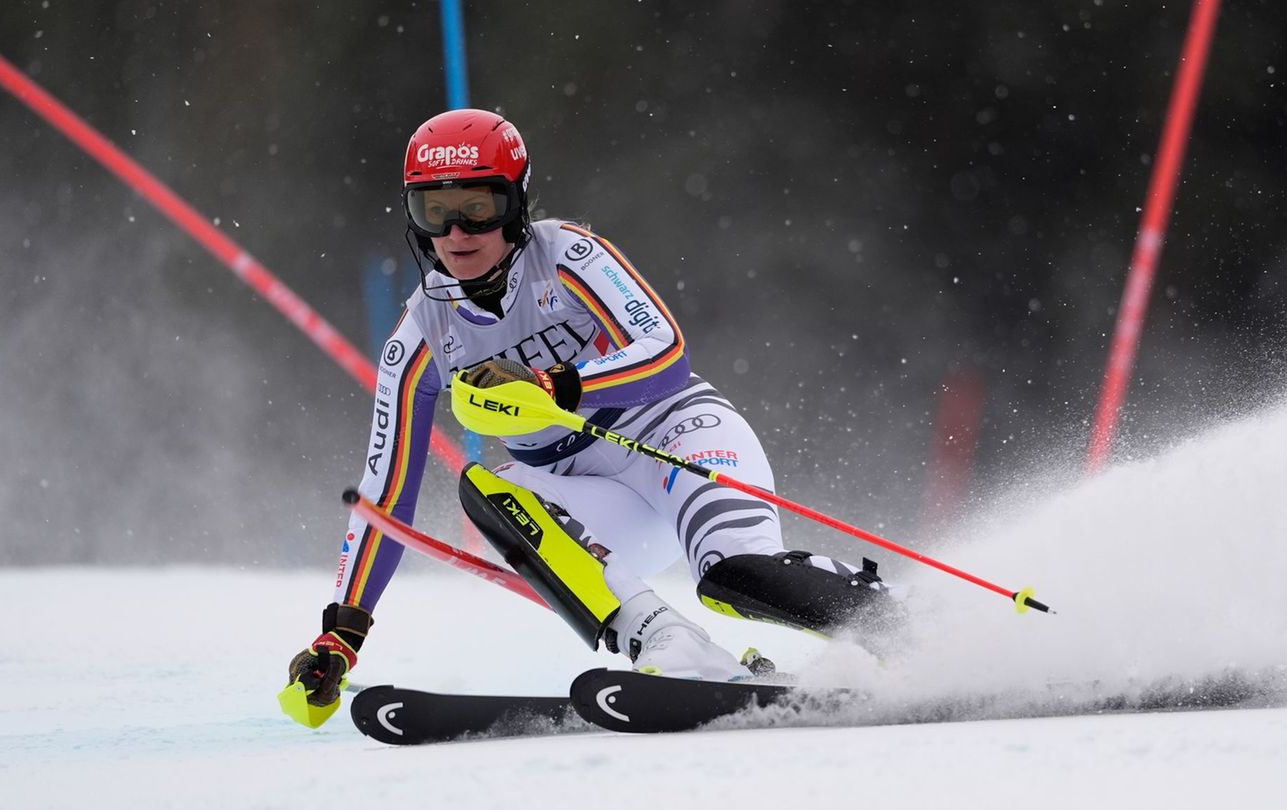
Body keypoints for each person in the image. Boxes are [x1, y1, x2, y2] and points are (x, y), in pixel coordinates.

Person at [286, 108, 904, 713]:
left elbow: (667, 353)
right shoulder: (420, 334)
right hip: (586, 495)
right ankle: (671, 644)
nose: (456, 235)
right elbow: (386, 491)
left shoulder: (567, 256)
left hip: (673, 438)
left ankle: (912, 630)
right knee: (487, 493)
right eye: (434, 212)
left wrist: (556, 386)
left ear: (516, 204)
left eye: (478, 209)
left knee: (734, 578)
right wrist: (342, 631)